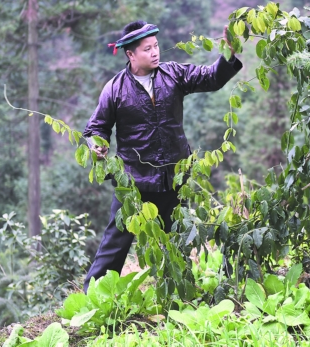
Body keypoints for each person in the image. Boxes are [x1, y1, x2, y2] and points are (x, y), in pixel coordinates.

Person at [82, 21, 242, 292]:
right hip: (133, 181)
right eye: (147, 49)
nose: (155, 53)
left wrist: (228, 52)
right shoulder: (115, 88)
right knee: (115, 243)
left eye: (156, 46)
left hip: (173, 176)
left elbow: (211, 78)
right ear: (130, 54)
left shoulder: (174, 74)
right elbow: (96, 128)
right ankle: (92, 298)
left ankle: (179, 293)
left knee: (175, 241)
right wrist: (96, 145)